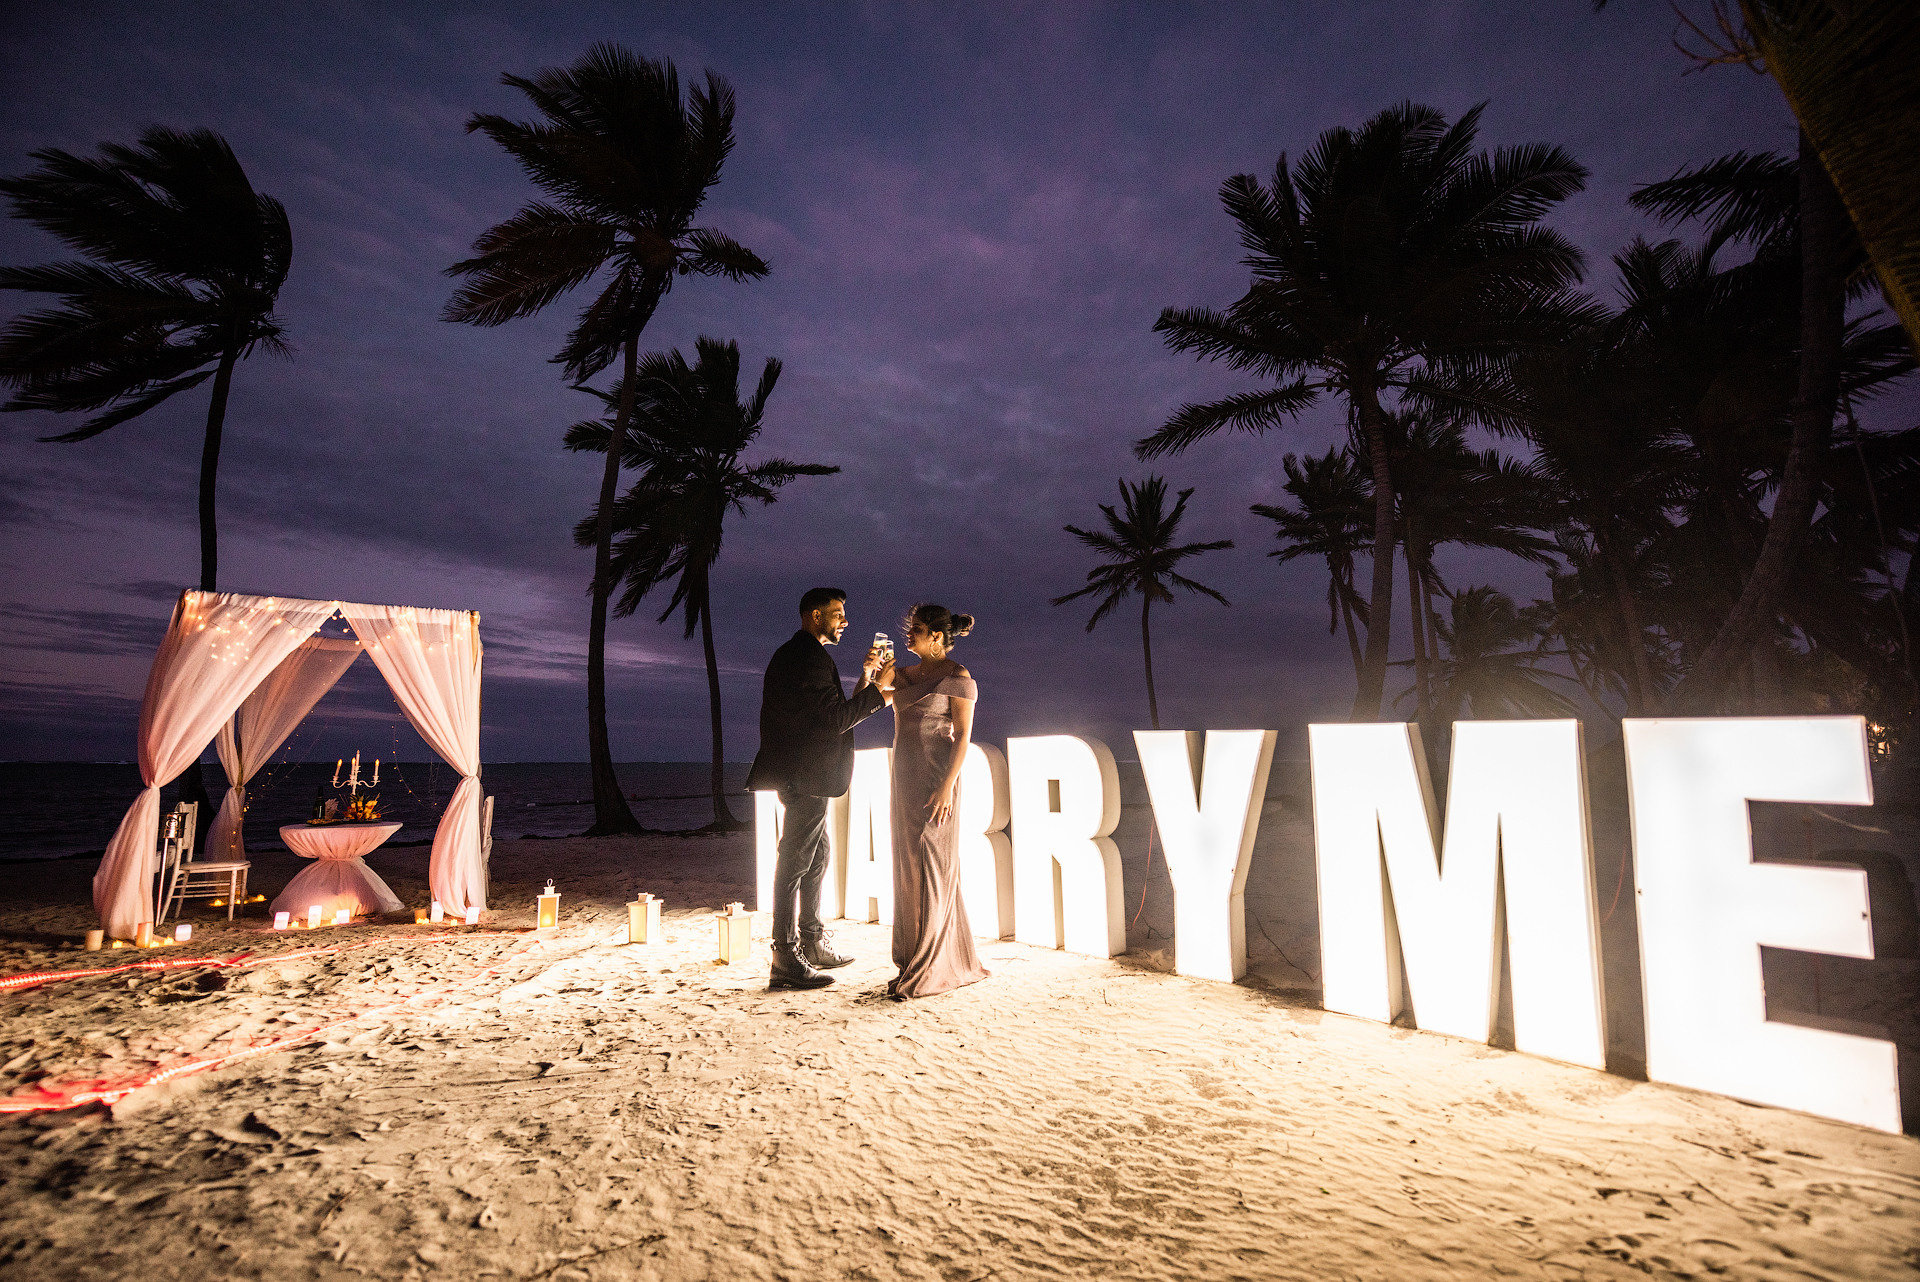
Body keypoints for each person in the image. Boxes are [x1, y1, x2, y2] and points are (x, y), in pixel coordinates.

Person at [745, 588, 893, 991]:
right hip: (806, 774)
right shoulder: (808, 658)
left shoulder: (801, 654)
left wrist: (866, 679)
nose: (844, 621)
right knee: (794, 861)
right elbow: (832, 722)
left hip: (805, 772)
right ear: (814, 615)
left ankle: (811, 941)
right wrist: (883, 692)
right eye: (837, 614)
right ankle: (785, 954)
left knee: (819, 852)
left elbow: (828, 715)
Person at [878, 602, 990, 999]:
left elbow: (963, 736)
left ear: (938, 637)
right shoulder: (904, 675)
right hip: (904, 777)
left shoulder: (957, 676)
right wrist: (875, 676)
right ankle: (914, 957)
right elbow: (869, 703)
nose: (909, 634)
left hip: (936, 777)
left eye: (917, 629)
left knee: (934, 864)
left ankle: (935, 962)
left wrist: (947, 785)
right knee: (909, 865)